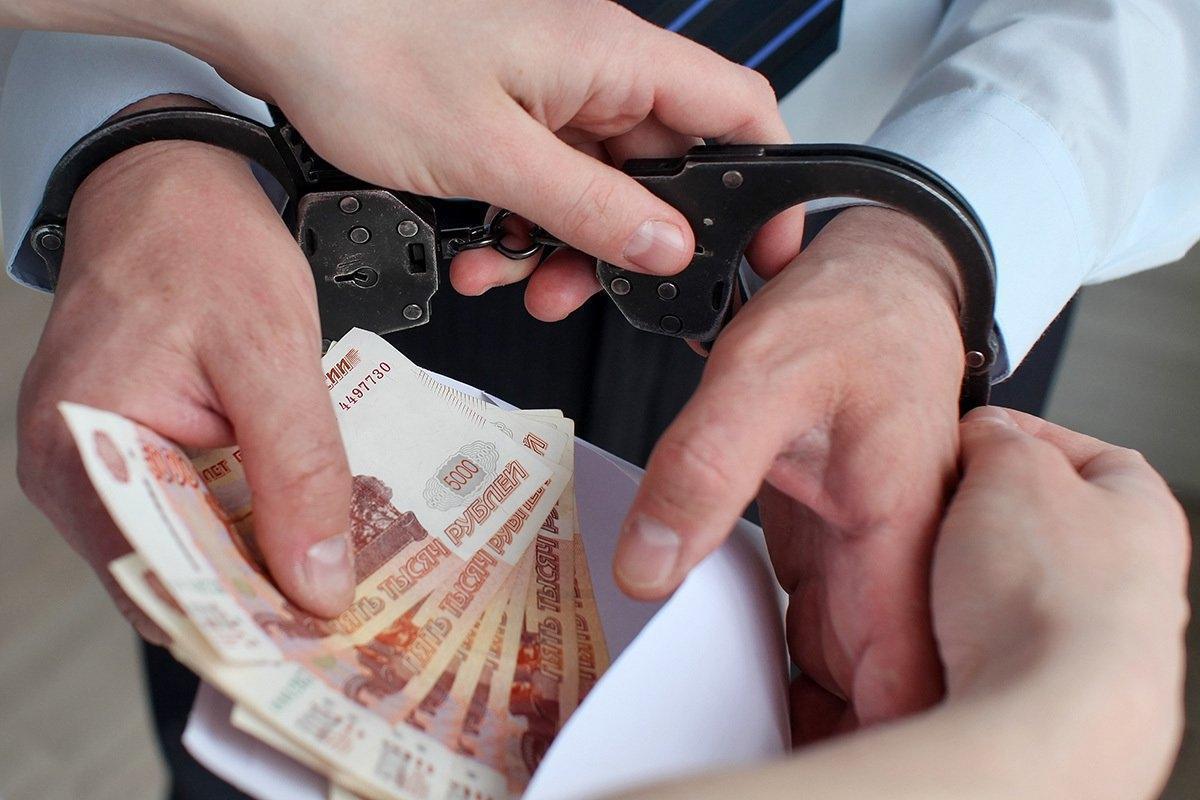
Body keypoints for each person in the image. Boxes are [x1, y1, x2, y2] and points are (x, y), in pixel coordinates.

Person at [1, 1, 1197, 797]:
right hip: (332, 227)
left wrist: (927, 246)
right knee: (272, 744)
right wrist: (154, 138)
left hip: (904, 296)